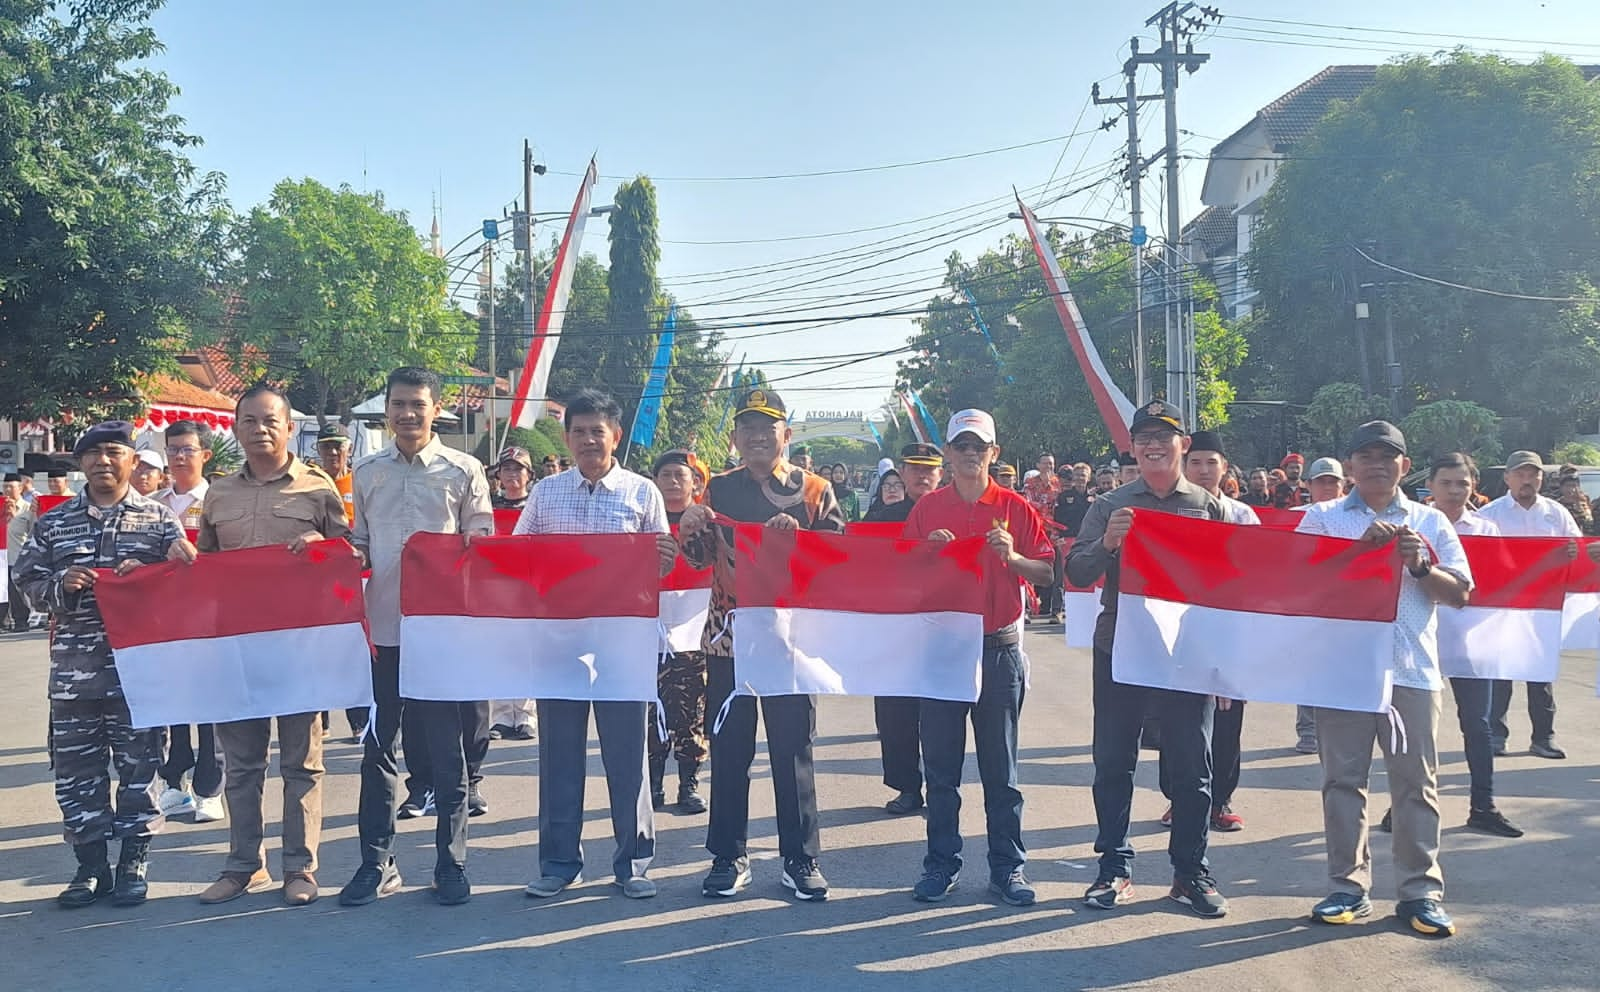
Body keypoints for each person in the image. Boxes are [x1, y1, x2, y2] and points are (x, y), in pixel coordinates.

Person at [1296, 421, 1471, 938]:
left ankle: (1420, 892)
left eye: (1387, 455)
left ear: (1404, 465)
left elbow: (1459, 592)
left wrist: (1419, 567)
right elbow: (1298, 586)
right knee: (1342, 783)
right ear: (1349, 466)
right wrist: (1358, 553)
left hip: (1411, 672)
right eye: (1365, 455)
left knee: (1416, 785)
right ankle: (1348, 887)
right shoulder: (1320, 518)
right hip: (1342, 671)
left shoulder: (1430, 522)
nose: (1376, 463)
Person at [678, 386, 846, 901]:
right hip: (730, 639)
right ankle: (728, 855)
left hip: (793, 640)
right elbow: (696, 560)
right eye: (747, 427)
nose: (757, 436)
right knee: (730, 748)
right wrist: (688, 526)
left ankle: (801, 857)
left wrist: (802, 537)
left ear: (786, 435)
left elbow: (840, 557)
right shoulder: (719, 490)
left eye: (767, 427)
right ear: (735, 437)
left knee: (793, 751)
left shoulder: (814, 490)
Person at [16, 421, 192, 907]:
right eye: (92, 455)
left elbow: (182, 591)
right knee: (76, 773)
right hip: (74, 676)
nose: (103, 462)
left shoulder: (158, 521)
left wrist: (165, 571)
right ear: (80, 464)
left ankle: (134, 861)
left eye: (114, 452)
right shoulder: (54, 523)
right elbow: (27, 582)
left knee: (140, 770)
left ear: (132, 461)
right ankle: (90, 868)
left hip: (139, 675)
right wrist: (60, 585)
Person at [1067, 400, 1229, 918]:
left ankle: (1190, 871)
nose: (1154, 445)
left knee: (1192, 767)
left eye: (1165, 436)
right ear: (1133, 448)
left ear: (1183, 445)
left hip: (1189, 653)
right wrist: (1109, 544)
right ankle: (1113, 867)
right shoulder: (1109, 505)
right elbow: (1075, 570)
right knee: (1114, 762)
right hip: (1122, 649)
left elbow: (1231, 588)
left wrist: (1229, 662)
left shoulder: (1209, 505)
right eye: (1144, 439)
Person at [339, 367, 493, 908]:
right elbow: (359, 539)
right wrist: (347, 555)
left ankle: (451, 864)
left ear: (436, 409)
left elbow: (483, 533)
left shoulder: (464, 469)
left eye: (417, 404)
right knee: (377, 751)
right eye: (398, 404)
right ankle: (376, 863)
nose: (407, 413)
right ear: (388, 410)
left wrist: (475, 542)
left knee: (447, 754)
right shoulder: (367, 470)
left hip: (441, 631)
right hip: (382, 631)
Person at [193, 385, 350, 907]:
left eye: (269, 420)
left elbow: (351, 557)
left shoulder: (317, 488)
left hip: (298, 646)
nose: (259, 429)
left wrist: (321, 547)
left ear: (288, 428)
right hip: (239, 648)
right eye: (248, 421)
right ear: (235, 429)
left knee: (302, 764)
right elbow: (205, 568)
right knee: (240, 765)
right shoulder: (217, 494)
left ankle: (300, 868)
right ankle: (243, 866)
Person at [516, 390, 674, 901]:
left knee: (627, 755)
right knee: (559, 754)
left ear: (616, 436)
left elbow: (662, 564)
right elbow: (518, 557)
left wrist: (664, 555)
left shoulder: (643, 492)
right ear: (567, 437)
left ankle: (633, 863)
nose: (588, 439)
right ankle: (559, 863)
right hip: (559, 643)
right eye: (579, 431)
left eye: (597, 430)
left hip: (621, 644)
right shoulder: (544, 495)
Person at [902, 410, 1053, 906]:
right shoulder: (928, 509)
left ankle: (1007, 869)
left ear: (994, 452)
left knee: (1001, 771)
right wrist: (927, 552)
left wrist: (1013, 558)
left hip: (998, 650)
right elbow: (900, 574)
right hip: (943, 649)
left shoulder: (1015, 507)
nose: (970, 453)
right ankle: (941, 865)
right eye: (961, 445)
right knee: (941, 771)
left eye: (979, 446)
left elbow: (1049, 574)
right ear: (947, 453)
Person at [1391, 453, 1521, 839]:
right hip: (1415, 642)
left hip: (1471, 641)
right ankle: (1399, 806)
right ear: (1428, 485)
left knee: (1477, 726)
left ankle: (1484, 804)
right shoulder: (1407, 523)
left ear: (1473, 486)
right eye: (1445, 482)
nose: (1453, 490)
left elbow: (1502, 583)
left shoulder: (1488, 530)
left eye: (1462, 483)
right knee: (1410, 732)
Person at [1157, 430, 1256, 835]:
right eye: (1194, 462)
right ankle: (1176, 799)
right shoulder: (1167, 513)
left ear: (1224, 468)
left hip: (1230, 629)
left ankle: (1220, 799)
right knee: (1176, 717)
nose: (1202, 470)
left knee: (1228, 717)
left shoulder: (1242, 516)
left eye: (1210, 462)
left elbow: (1254, 573)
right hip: (1177, 630)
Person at [1478, 450, 1579, 760]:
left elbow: (1577, 548)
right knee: (1501, 674)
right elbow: (1480, 559)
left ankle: (1543, 737)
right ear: (1507, 478)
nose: (1527, 480)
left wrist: (1575, 553)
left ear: (1541, 479)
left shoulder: (1556, 513)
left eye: (1533, 474)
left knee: (1541, 676)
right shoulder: (1491, 515)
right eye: (1520, 474)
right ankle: (1495, 735)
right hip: (1503, 608)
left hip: (1542, 609)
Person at [154, 420, 225, 824]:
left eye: (188, 449)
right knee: (174, 700)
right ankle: (174, 780)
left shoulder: (219, 499)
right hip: (166, 618)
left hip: (212, 617)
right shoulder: (154, 503)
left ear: (205, 455)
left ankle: (210, 787)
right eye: (173, 449)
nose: (180, 457)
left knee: (211, 703)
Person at [868, 442, 945, 816]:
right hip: (895, 625)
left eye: (929, 468)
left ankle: (942, 785)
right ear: (902, 472)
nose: (922, 475)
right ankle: (907, 786)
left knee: (940, 713)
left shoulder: (955, 513)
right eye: (914, 468)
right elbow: (861, 564)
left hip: (943, 625)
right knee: (895, 713)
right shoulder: (881, 518)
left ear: (940, 473)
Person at [648, 449, 710, 815]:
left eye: (680, 475)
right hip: (647, 632)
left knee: (691, 711)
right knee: (651, 710)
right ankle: (653, 782)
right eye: (665, 474)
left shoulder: (709, 524)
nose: (672, 481)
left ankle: (689, 782)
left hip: (694, 630)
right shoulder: (643, 522)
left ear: (695, 483)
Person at [487, 446, 538, 742]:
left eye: (518, 469)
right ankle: (503, 716)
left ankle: (526, 716)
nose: (512, 474)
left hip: (530, 587)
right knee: (501, 653)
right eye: (507, 468)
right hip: (497, 587)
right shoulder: (488, 506)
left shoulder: (536, 505)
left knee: (527, 654)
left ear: (529, 475)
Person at [4, 474, 36, 631]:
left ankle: (21, 620)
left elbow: (32, 533)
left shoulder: (27, 508)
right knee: (4, 590)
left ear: (21, 488)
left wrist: (13, 515)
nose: (7, 490)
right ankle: (4, 620)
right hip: (2, 556)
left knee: (17, 591)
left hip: (18, 555)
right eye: (5, 487)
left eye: (11, 487)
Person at [315, 424, 356, 525]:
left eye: (338, 446)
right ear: (318, 450)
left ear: (350, 449)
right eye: (326, 447)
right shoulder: (312, 483)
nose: (332, 452)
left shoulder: (360, 482)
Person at [1554, 465, 1595, 535]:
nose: (1571, 490)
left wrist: (1578, 504)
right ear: (1561, 487)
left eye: (1574, 486)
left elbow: (1589, 526)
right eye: (1568, 486)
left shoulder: (1584, 503)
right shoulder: (1556, 505)